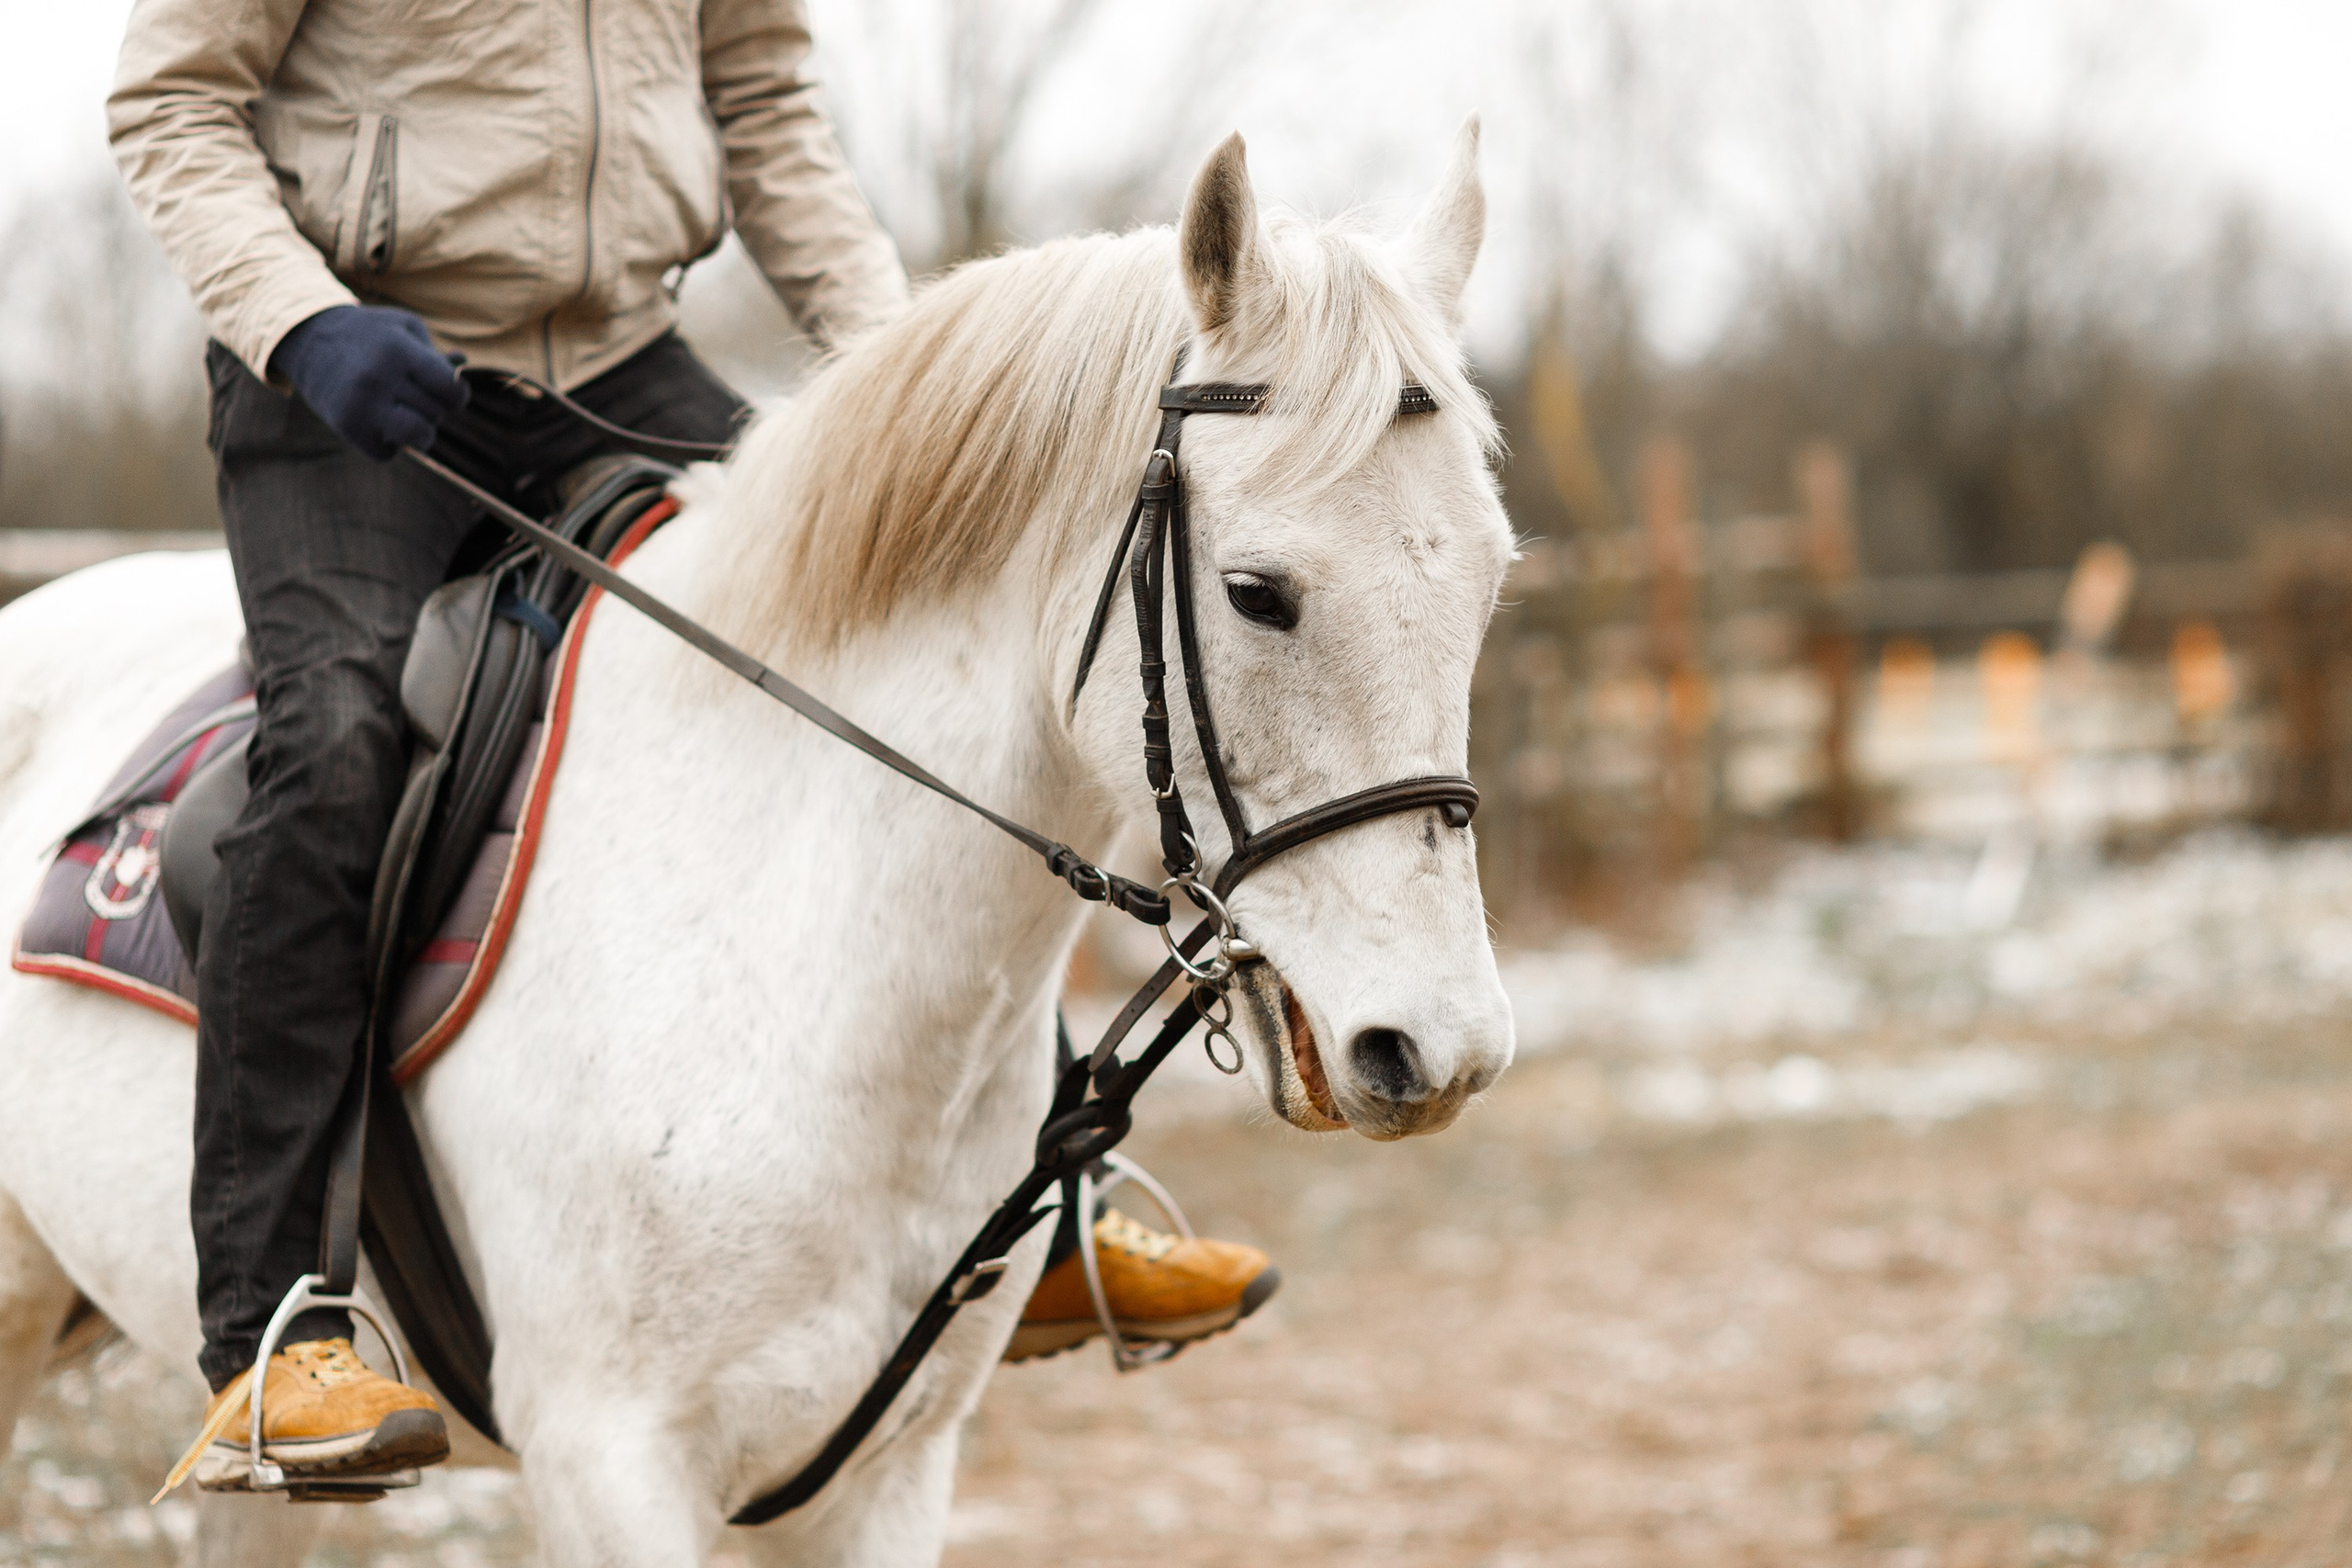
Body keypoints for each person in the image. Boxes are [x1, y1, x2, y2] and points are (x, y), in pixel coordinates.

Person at [110, 0, 1274, 1495]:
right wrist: (297, 316)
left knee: (933, 654)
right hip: (356, 373)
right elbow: (173, 106)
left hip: (617, 367)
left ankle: (1048, 1207)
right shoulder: (316, 334)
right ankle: (273, 1333)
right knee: (332, 737)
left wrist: (903, 372)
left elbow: (767, 106)